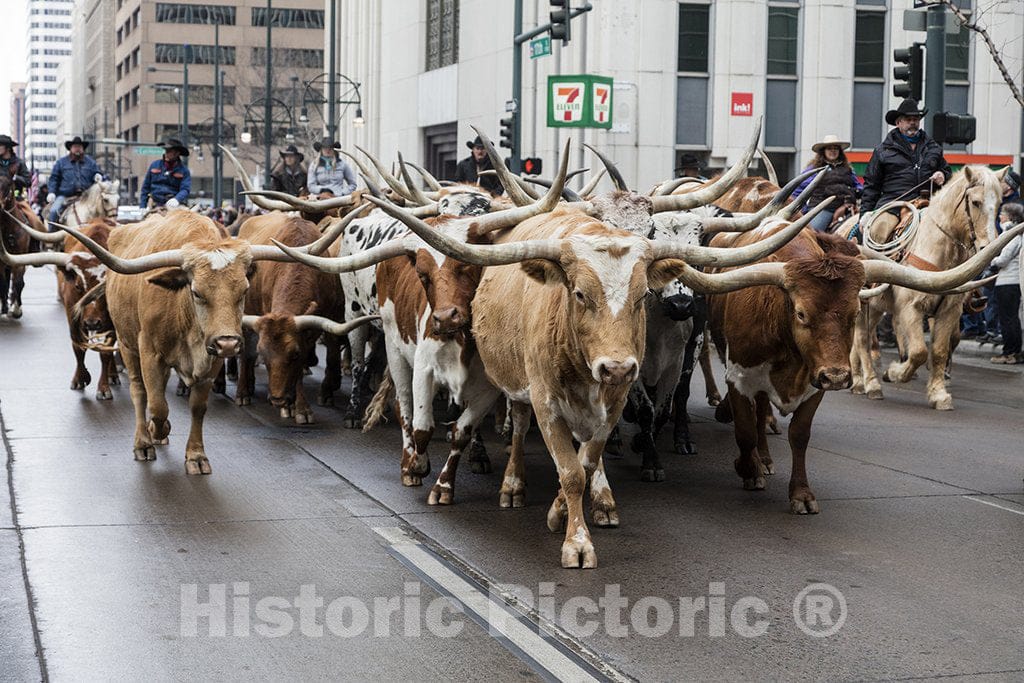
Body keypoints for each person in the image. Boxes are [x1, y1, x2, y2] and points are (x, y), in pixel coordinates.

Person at [860, 98, 951, 242]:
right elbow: (871, 186)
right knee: (879, 231)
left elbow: (948, 173)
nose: (913, 122)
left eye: (916, 119)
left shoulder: (933, 148)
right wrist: (865, 213)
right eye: (908, 119)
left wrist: (943, 175)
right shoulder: (882, 151)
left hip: (928, 205)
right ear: (898, 123)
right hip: (892, 206)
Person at [792, 134, 862, 232]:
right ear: (823, 151)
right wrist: (802, 211)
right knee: (813, 233)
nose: (833, 151)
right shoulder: (814, 169)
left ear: (839, 151)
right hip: (822, 209)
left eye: (835, 148)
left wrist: (857, 193)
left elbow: (858, 186)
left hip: (847, 207)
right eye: (829, 148)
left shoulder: (848, 169)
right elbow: (798, 190)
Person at [988, 202, 1023, 364]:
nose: (999, 216)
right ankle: (1015, 351)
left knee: (1007, 319)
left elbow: (1003, 259)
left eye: (1002, 213)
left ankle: (1009, 353)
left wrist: (991, 260)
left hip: (1007, 283)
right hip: (1013, 283)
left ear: (1010, 217)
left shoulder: (1010, 234)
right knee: (1012, 318)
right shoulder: (1017, 234)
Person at [47, 135, 102, 226]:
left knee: (102, 211)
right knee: (53, 211)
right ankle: (51, 237)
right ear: (70, 148)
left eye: (80, 147)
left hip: (87, 196)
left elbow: (98, 173)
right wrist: (51, 192)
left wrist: (98, 175)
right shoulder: (61, 163)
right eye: (75, 147)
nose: (78, 149)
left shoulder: (91, 163)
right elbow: (54, 178)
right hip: (65, 196)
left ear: (83, 149)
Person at [139, 139, 191, 209]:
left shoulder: (184, 171)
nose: (166, 153)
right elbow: (145, 188)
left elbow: (185, 189)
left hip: (174, 205)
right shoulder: (154, 165)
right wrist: (142, 206)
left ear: (177, 153)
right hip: (154, 204)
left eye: (169, 151)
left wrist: (177, 199)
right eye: (166, 151)